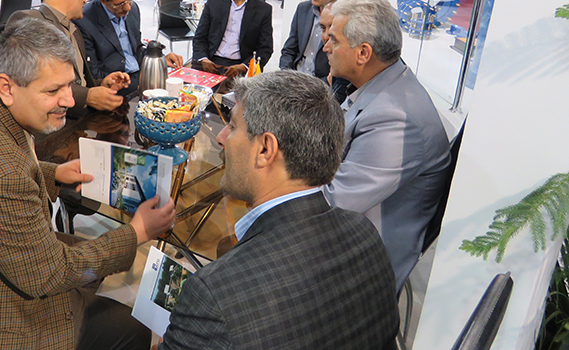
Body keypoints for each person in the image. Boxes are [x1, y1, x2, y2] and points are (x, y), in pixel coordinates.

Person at [0, 19, 176, 350]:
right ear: (7, 87)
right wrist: (138, 232)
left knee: (91, 261)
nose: (68, 100)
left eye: (69, 85)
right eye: (53, 91)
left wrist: (53, 174)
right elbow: (50, 274)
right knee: (131, 328)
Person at [160, 71, 399, 350]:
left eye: (233, 126)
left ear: (265, 149)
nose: (221, 138)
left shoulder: (213, 296)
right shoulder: (365, 233)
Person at [321, 0, 451, 291]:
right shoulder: (387, 85)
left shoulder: (395, 118)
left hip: (358, 272)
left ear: (363, 53)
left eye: (334, 40)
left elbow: (334, 202)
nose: (326, 47)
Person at [7, 0, 130, 115]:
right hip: (55, 117)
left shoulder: (74, 29)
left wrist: (101, 85)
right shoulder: (28, 20)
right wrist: (87, 96)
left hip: (82, 114)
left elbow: (78, 80)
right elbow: (35, 80)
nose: (84, 0)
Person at [75, 0, 182, 96]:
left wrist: (158, 59)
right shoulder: (85, 21)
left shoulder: (133, 9)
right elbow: (93, 75)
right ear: (102, 0)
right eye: (119, 4)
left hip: (140, 77)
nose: (127, 8)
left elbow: (135, 51)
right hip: (117, 87)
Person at [192, 0, 273, 78]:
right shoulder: (214, 2)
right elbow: (199, 37)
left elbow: (265, 49)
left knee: (229, 91)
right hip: (211, 61)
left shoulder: (263, 10)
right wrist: (203, 59)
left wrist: (244, 66)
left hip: (241, 64)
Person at [279, 0, 350, 74]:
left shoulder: (347, 18)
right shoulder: (303, 9)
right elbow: (289, 50)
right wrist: (286, 75)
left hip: (322, 82)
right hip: (295, 76)